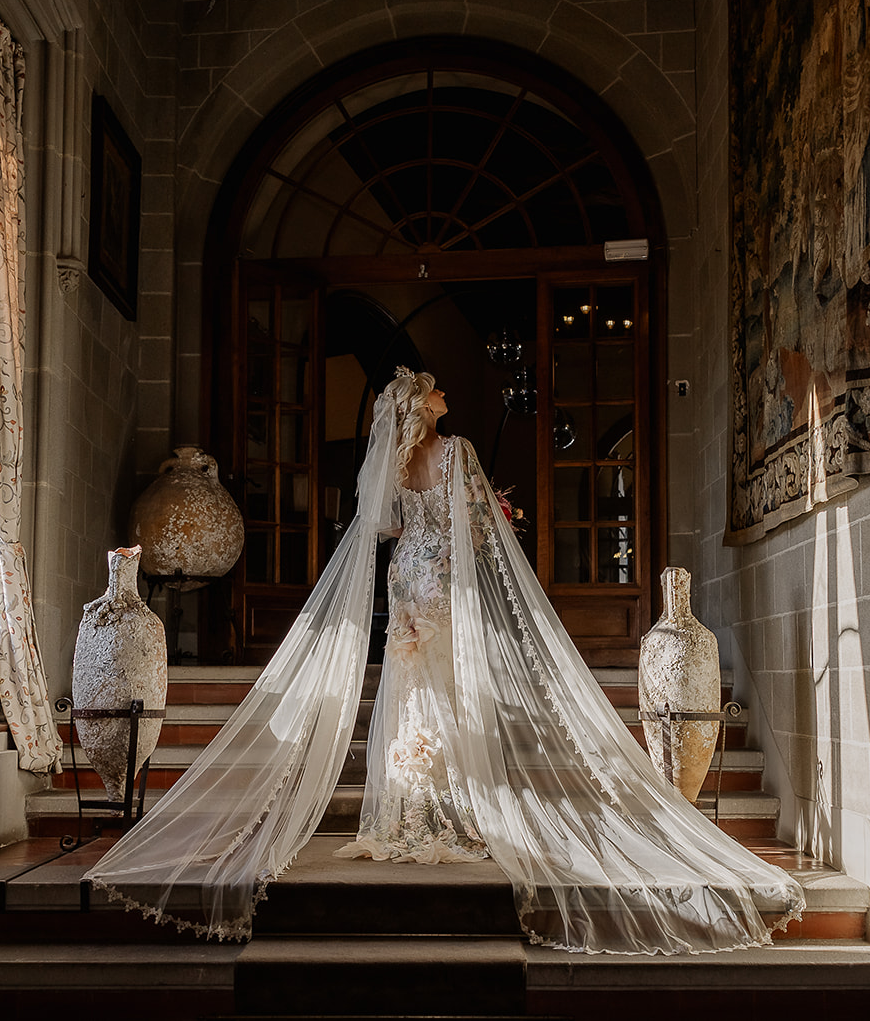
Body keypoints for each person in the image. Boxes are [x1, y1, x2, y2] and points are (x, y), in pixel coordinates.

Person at [87, 369, 804, 954]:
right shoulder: (456, 451)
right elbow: (480, 526)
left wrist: (446, 525)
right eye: (432, 389)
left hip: (406, 576)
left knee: (411, 688)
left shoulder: (395, 463)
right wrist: (497, 520)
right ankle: (453, 807)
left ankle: (410, 808)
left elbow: (387, 524)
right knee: (449, 689)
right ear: (420, 408)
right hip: (442, 577)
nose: (442, 392)